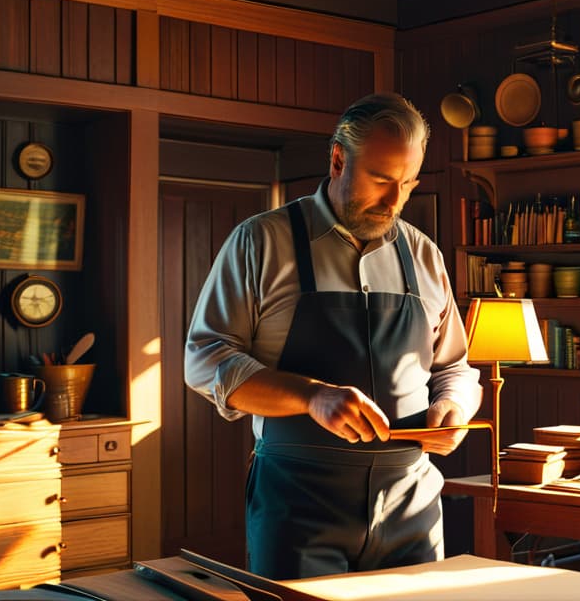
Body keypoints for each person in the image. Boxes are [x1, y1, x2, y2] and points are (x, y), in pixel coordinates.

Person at [184, 92, 482, 580]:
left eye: (406, 184)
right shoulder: (261, 241)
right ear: (339, 160)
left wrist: (453, 405)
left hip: (412, 505)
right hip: (298, 504)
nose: (394, 201)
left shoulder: (425, 256)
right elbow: (204, 360)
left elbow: (453, 366)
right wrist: (310, 396)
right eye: (381, 180)